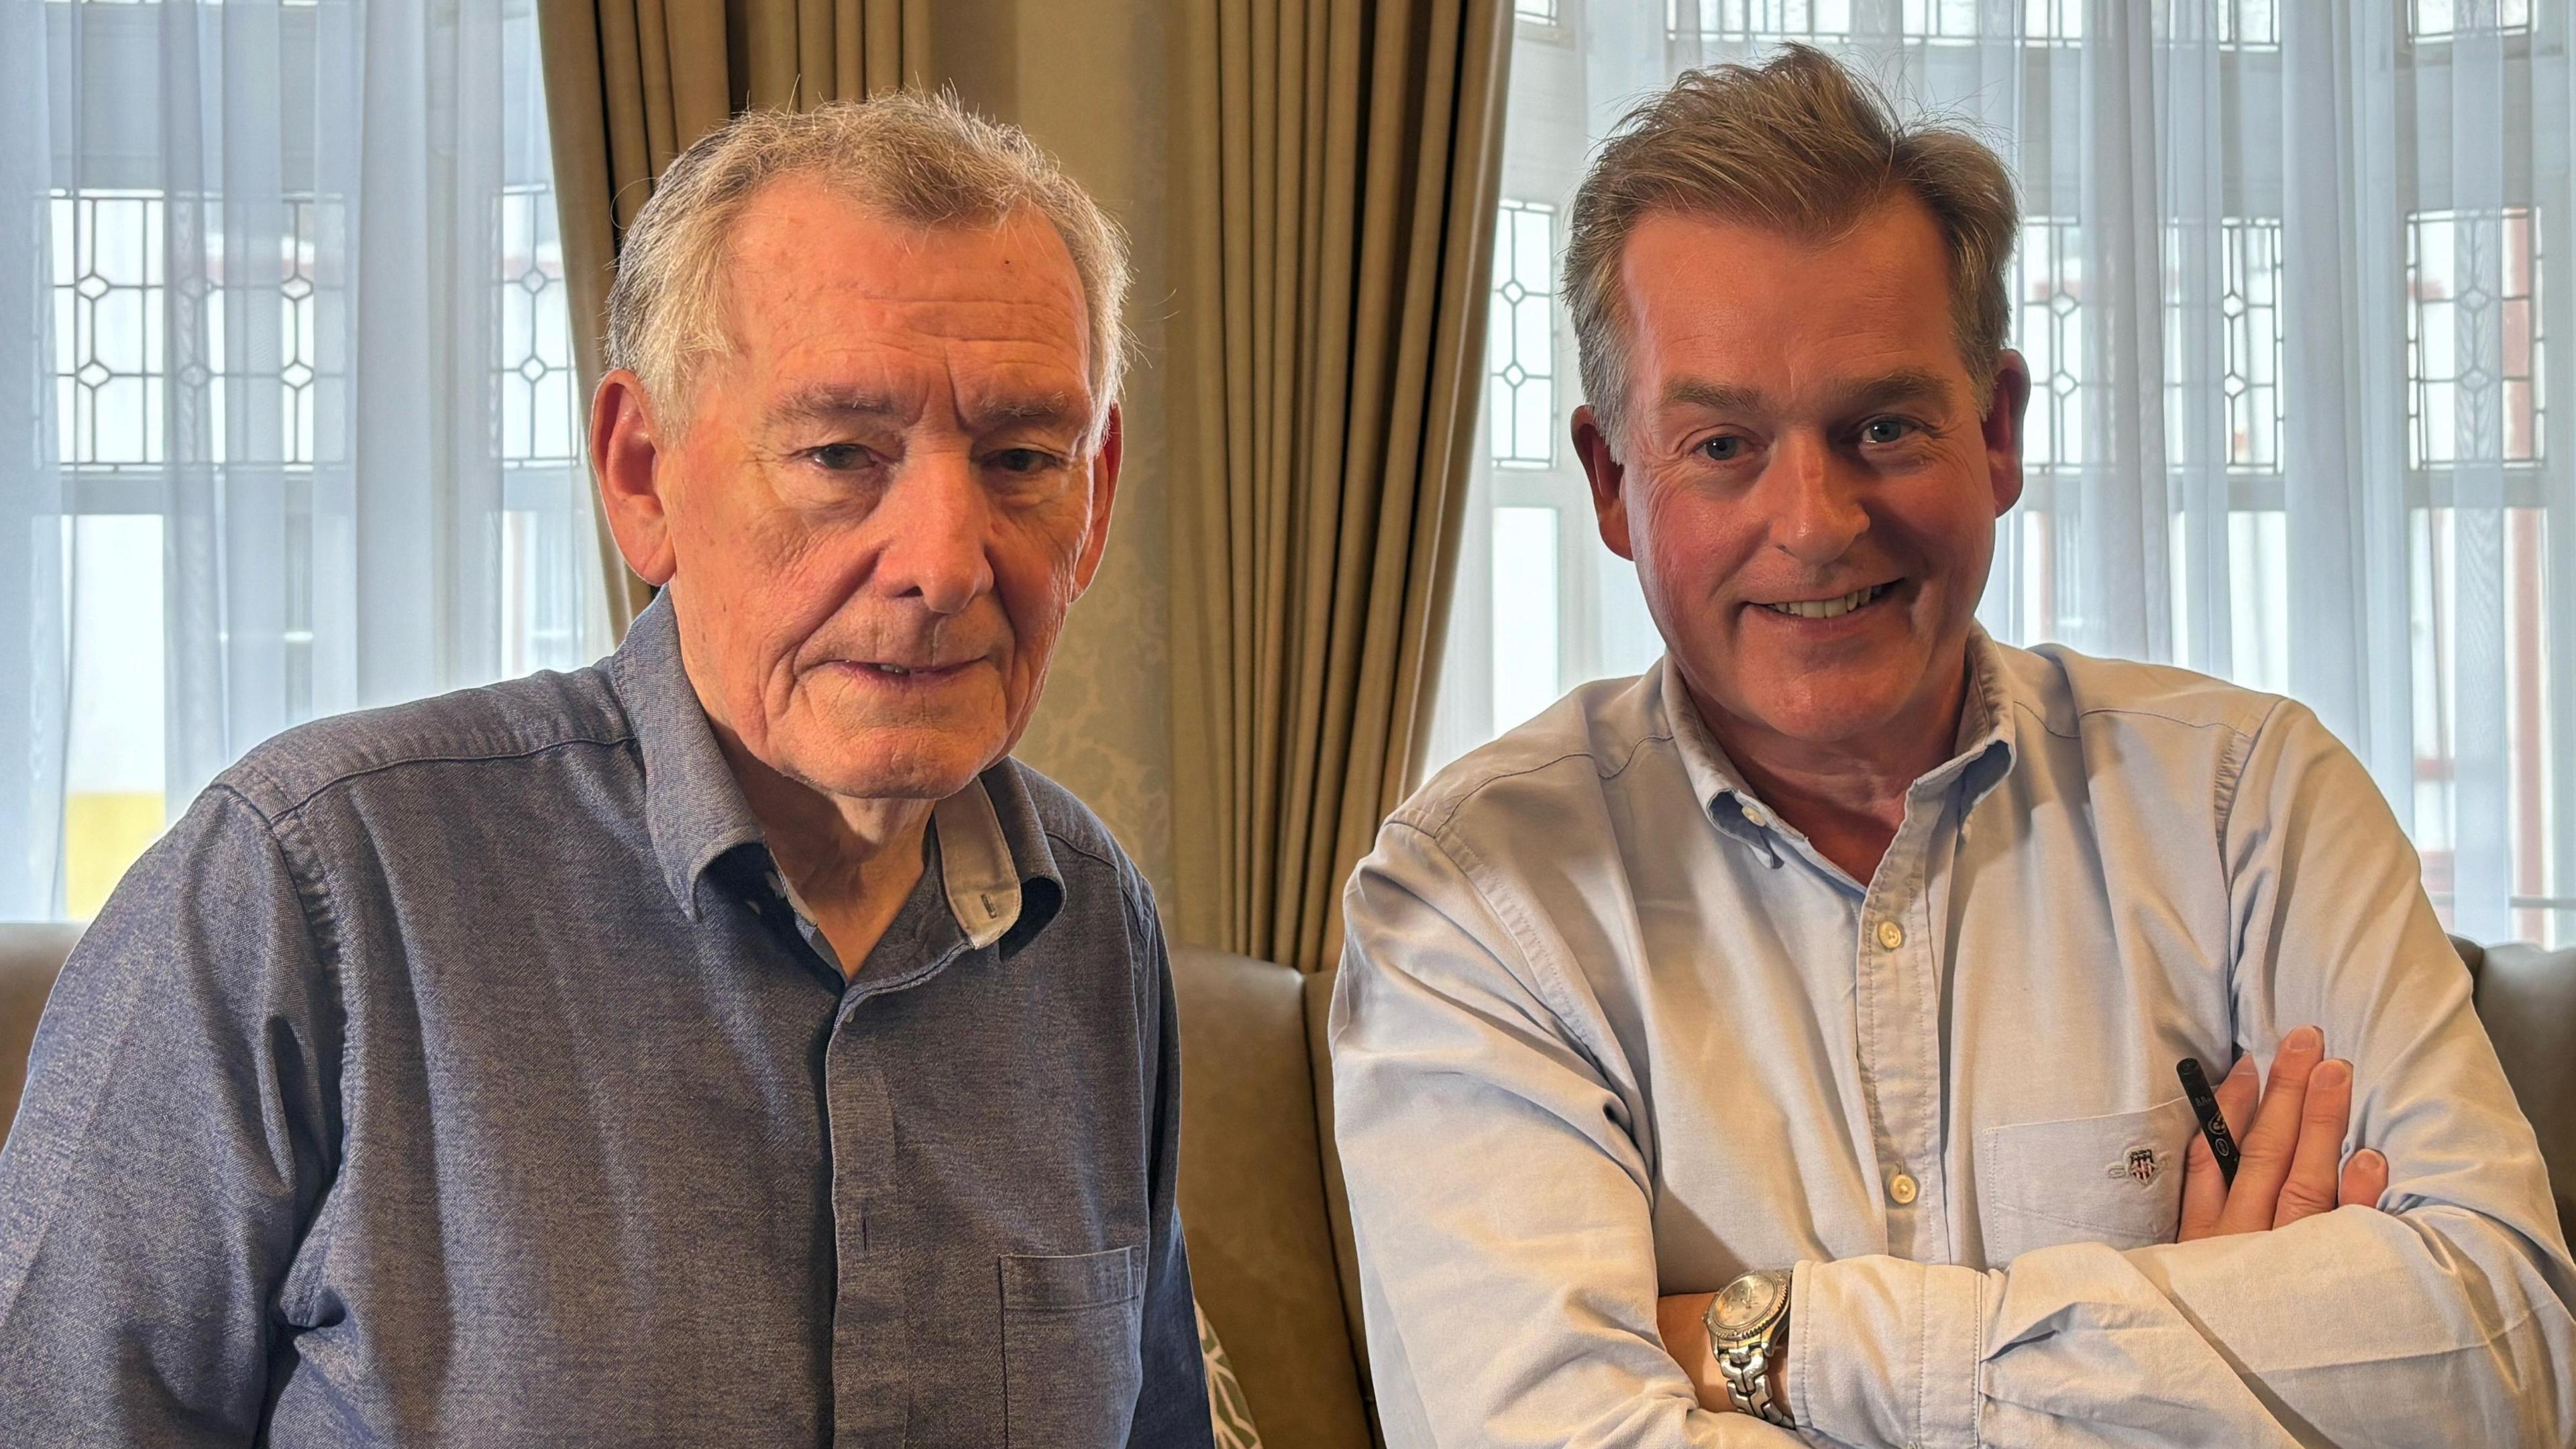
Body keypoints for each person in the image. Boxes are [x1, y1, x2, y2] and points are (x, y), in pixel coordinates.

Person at [1330, 46, 2576, 1448]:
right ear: (1615, 481)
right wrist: (2189, 1341)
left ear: (1995, 432)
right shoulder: (1476, 902)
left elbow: (2505, 1355)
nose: (1813, 520)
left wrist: (1779, 1342)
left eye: (1881, 426)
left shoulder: (2254, 805)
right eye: (1725, 445)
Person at [0, 93, 1213, 1448]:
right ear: (643, 476)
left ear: (1094, 496)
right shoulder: (303, 888)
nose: (943, 561)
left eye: (1020, 459)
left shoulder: (1095, 927)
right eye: (836, 455)